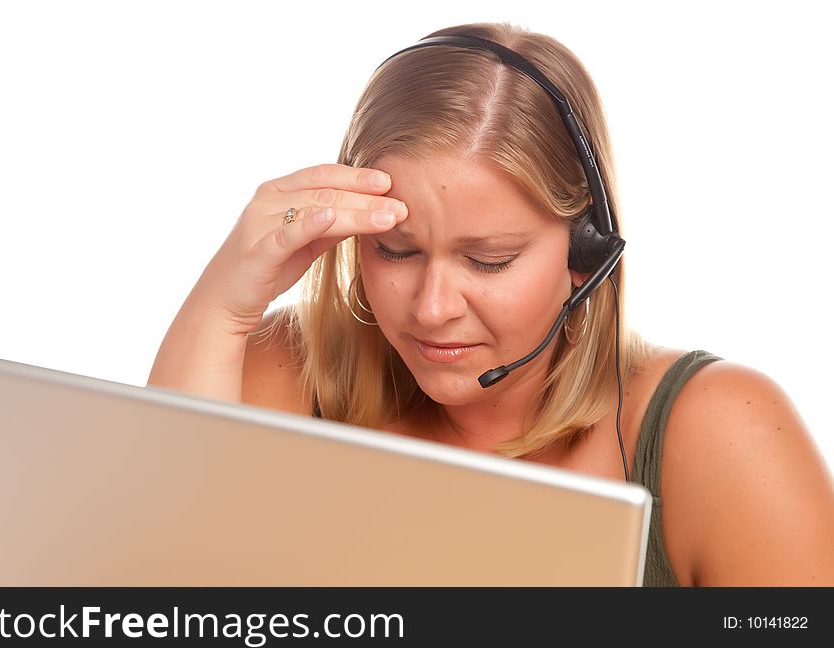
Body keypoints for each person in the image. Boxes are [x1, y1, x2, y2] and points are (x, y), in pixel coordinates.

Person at [147, 22, 834, 586]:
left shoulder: (722, 432)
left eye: (489, 259)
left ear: (584, 256)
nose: (433, 307)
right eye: (397, 250)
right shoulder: (280, 376)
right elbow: (155, 599)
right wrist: (222, 308)